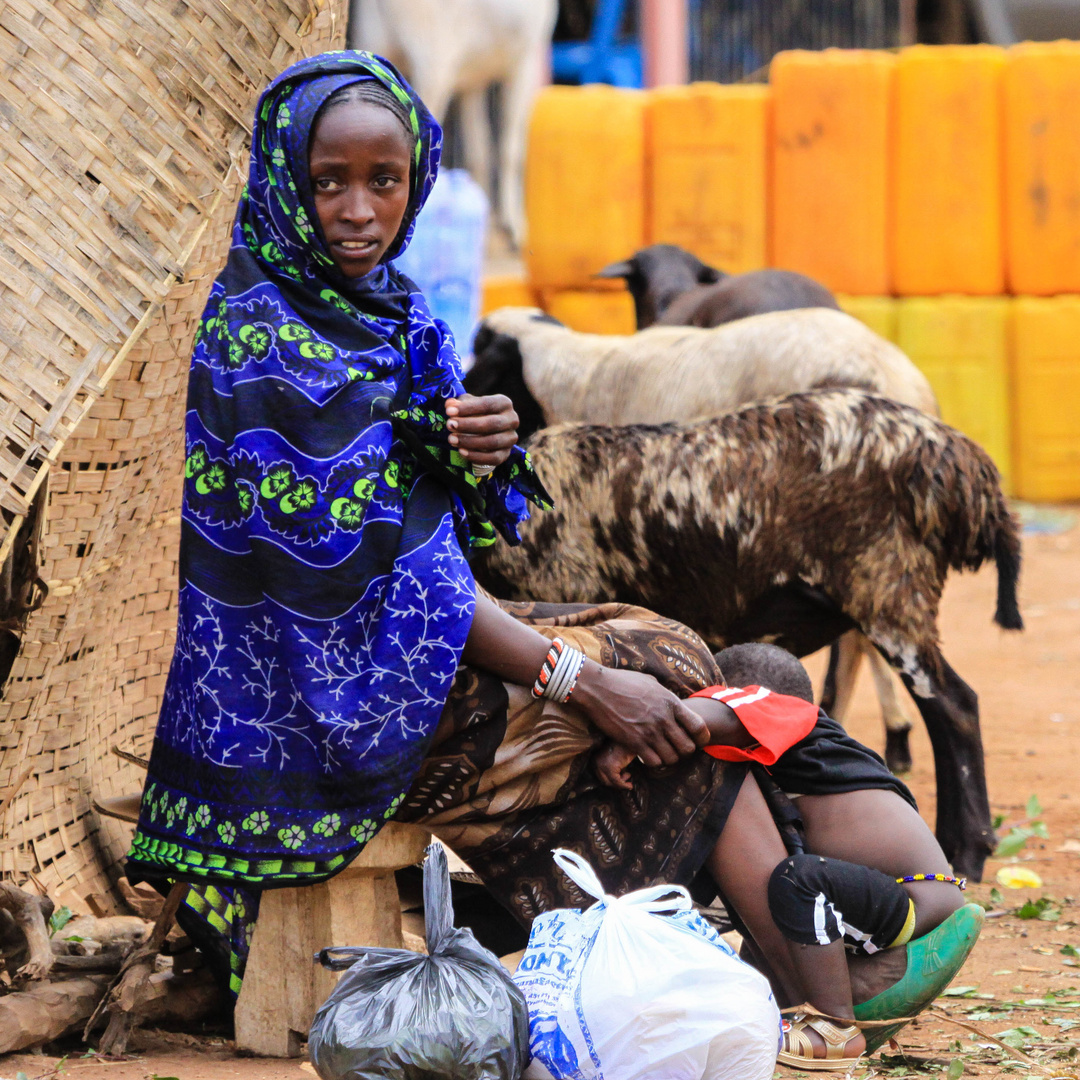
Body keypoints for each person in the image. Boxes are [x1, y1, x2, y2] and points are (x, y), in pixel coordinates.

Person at [124, 50, 957, 1068]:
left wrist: (475, 455)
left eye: (382, 182)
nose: (355, 209)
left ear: (415, 183)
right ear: (284, 185)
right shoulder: (263, 337)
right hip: (313, 709)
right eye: (327, 182)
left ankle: (804, 981)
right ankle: (821, 984)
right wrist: (582, 684)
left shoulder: (392, 318)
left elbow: (467, 536)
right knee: (668, 678)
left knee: (688, 663)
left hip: (414, 662)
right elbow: (365, 574)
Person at [596, 642, 982, 1068]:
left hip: (916, 898)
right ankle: (797, 1008)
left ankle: (835, 1027)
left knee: (797, 880)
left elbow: (715, 712)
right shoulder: (799, 754)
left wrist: (635, 736)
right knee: (778, 894)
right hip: (887, 897)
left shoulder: (781, 712)